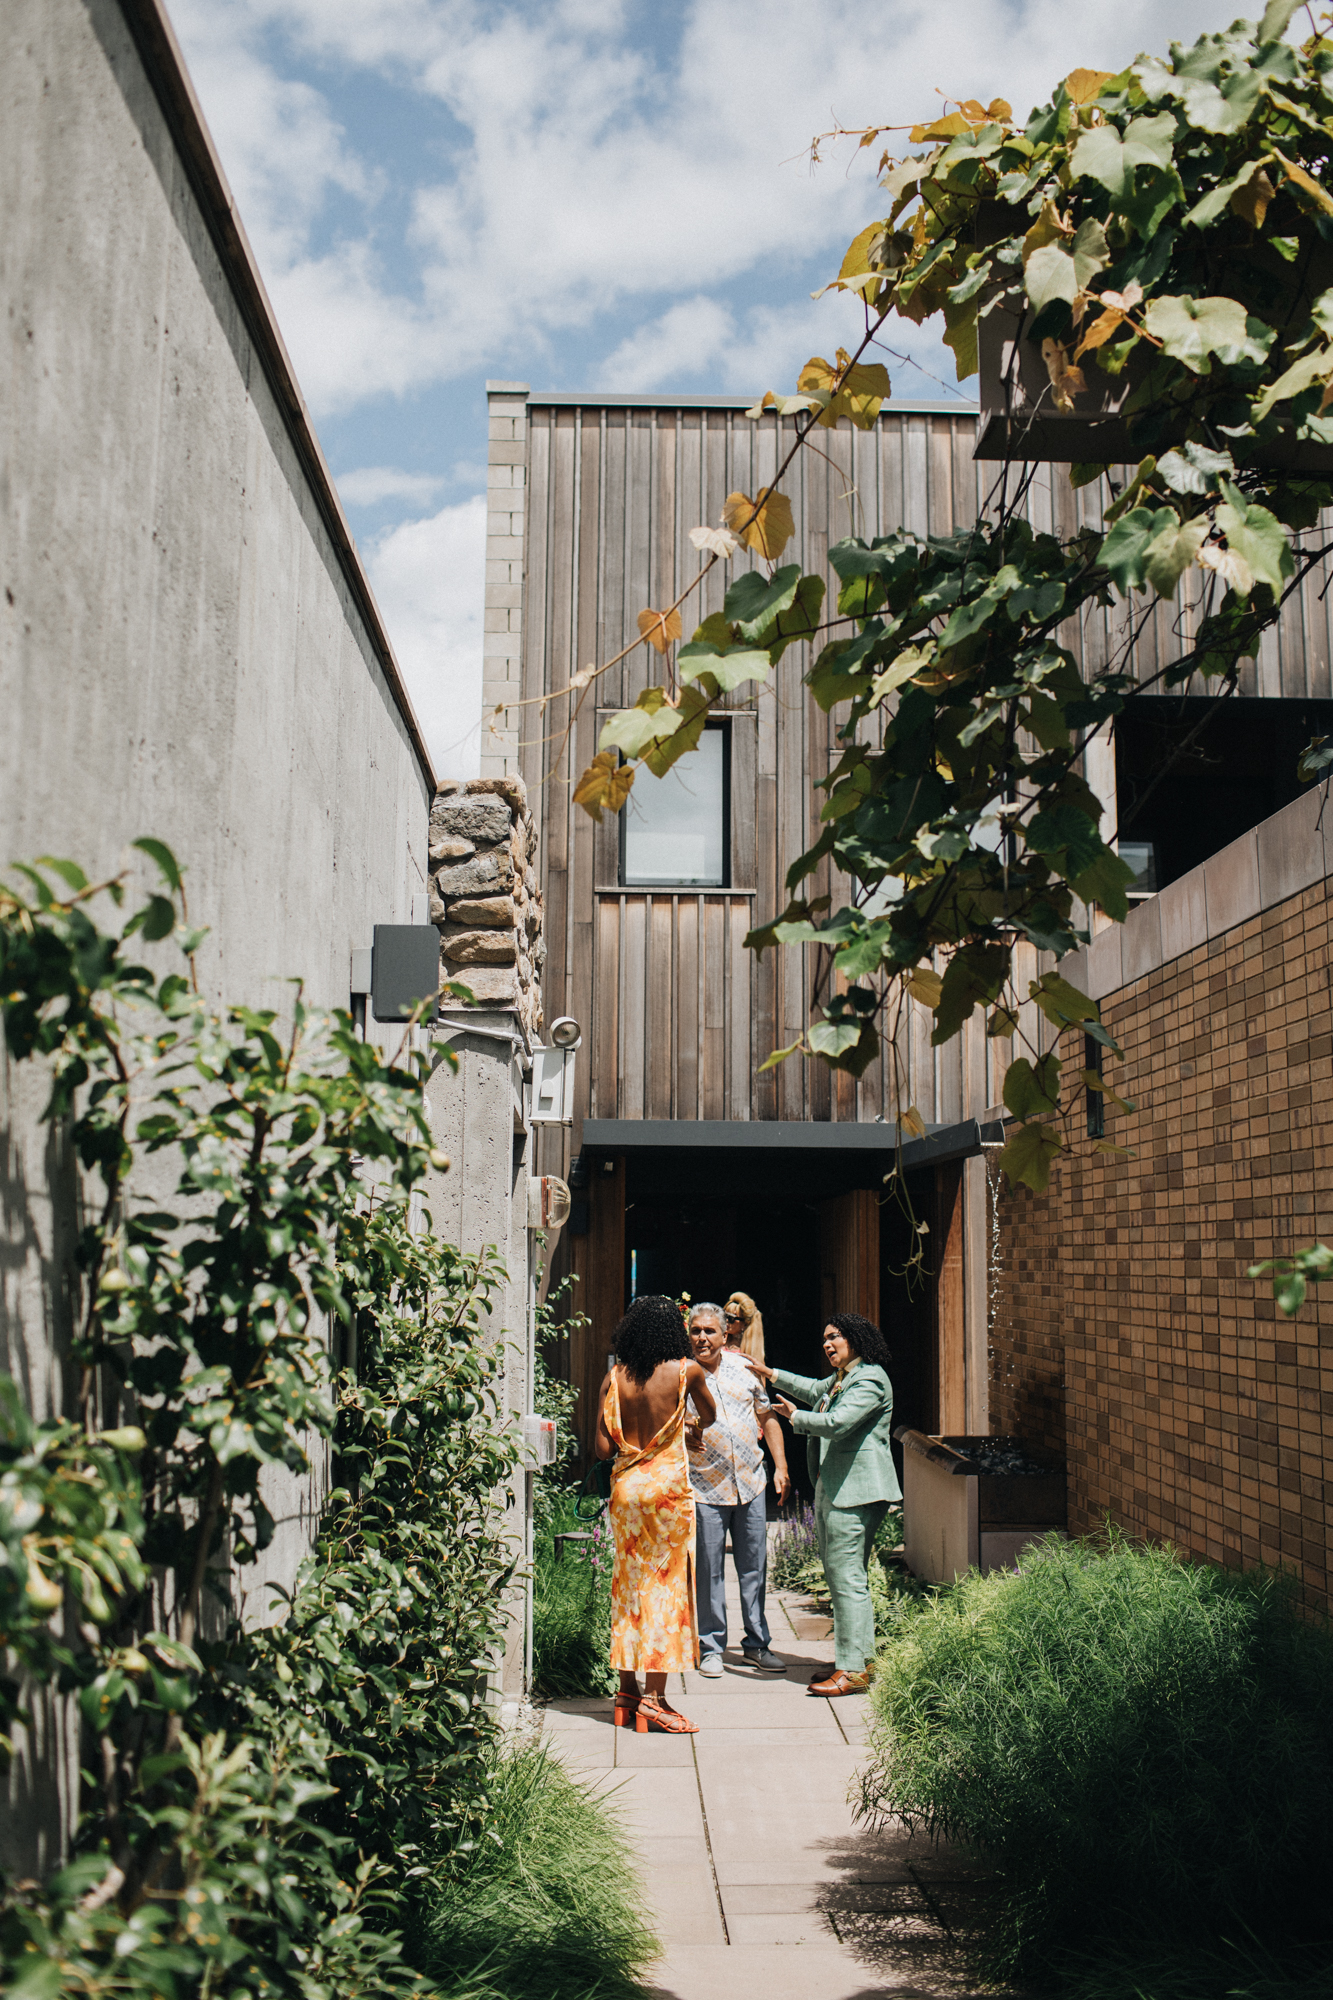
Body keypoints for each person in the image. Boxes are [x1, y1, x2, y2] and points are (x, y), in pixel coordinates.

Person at [744, 1311, 899, 1697]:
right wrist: (771, 1374)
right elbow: (816, 1390)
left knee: (847, 1579)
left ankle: (853, 1671)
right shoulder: (844, 1376)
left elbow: (838, 1423)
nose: (827, 1344)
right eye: (824, 1339)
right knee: (843, 1577)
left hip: (857, 1492)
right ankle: (857, 1660)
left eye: (835, 1337)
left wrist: (796, 1417)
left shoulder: (870, 1379)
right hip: (838, 1488)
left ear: (856, 1339)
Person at [595, 1294, 716, 1733]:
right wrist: (689, 1427)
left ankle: (626, 1692)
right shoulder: (687, 1371)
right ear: (673, 1333)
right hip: (667, 1494)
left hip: (626, 1493)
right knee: (666, 1590)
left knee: (628, 1588)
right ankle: (654, 1700)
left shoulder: (614, 1378)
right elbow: (710, 1415)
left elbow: (601, 1449)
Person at [686, 1303, 790, 1678]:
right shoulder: (681, 1375)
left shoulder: (744, 1369)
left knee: (754, 1568)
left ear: (724, 1333)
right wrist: (683, 1433)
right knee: (709, 1571)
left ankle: (757, 1645)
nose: (702, 1337)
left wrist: (781, 1466)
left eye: (709, 1331)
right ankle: (711, 1647)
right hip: (705, 1488)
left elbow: (767, 1416)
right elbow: (665, 1424)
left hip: (750, 1482)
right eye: (696, 1330)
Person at [723, 1291, 765, 1365]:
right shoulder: (719, 1342)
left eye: (731, 1318)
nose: (726, 1320)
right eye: (725, 1315)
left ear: (744, 1324)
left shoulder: (752, 1356)